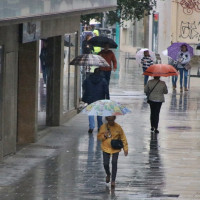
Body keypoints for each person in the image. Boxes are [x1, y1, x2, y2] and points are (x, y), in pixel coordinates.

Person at [97, 116, 128, 188]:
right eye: (109, 120)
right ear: (107, 120)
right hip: (106, 147)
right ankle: (108, 174)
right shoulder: (103, 127)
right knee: (105, 163)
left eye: (112, 120)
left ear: (114, 119)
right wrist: (104, 135)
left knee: (114, 162)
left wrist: (125, 148)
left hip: (115, 148)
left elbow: (123, 138)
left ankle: (113, 180)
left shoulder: (118, 127)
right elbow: (99, 137)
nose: (111, 122)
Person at [82, 68, 110, 133]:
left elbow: (83, 86)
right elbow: (106, 91)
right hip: (100, 99)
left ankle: (91, 127)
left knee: (91, 113)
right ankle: (100, 127)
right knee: (99, 113)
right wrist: (107, 99)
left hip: (90, 99)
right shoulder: (103, 80)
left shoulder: (88, 79)